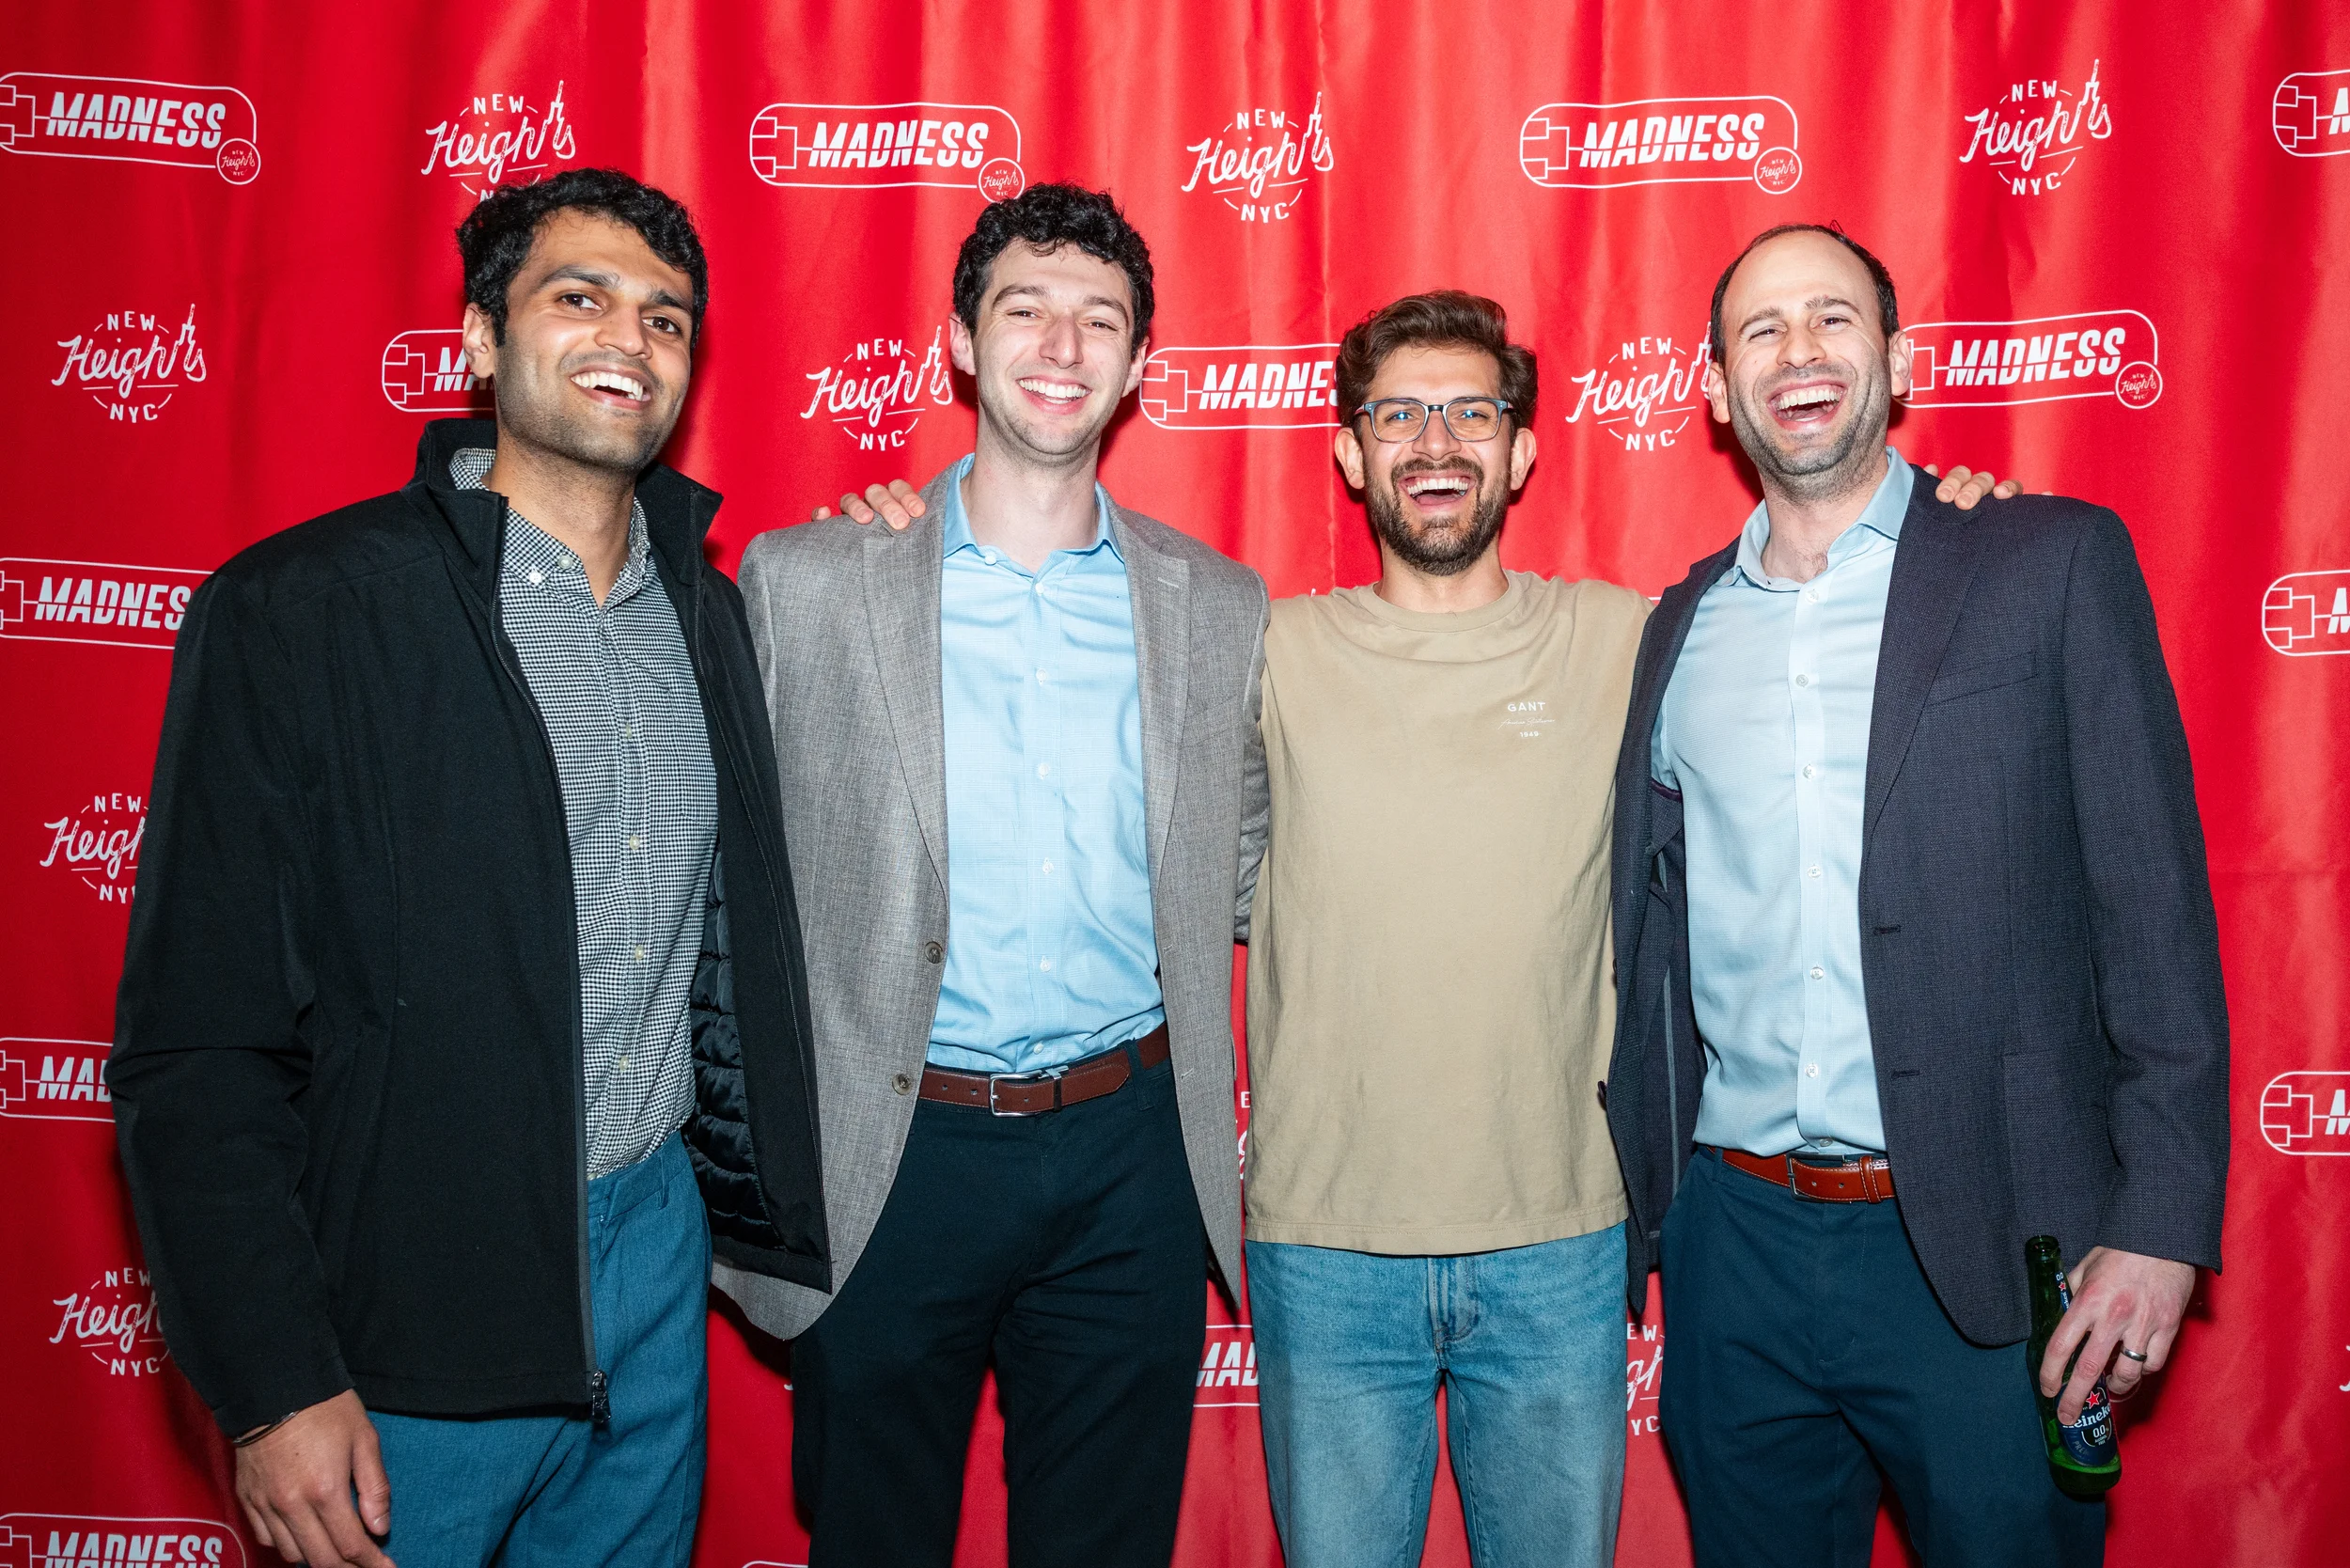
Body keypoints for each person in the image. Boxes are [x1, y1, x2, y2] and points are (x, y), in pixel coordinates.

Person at [828, 288, 2011, 1568]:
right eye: (1396, 416)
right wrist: (900, 535)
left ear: (1523, 449)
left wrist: (1944, 528)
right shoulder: (1258, 647)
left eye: (1470, 414)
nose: (1434, 443)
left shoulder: (1629, 639)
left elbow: (1814, 609)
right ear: (1350, 454)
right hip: (1325, 1251)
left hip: (1561, 1241)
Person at [108, 168, 828, 1568]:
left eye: (667, 317)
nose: (629, 338)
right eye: (580, 298)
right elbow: (196, 1046)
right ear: (481, 340)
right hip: (406, 1316)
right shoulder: (302, 611)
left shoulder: (712, 616)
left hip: (652, 1264)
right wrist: (274, 1385)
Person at [1605, 223, 2229, 1567]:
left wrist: (2159, 1228)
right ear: (1714, 388)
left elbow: (2153, 908)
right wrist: (1666, 1219)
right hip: (1735, 1252)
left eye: (1833, 318)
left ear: (1896, 360)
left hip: (1993, 1250)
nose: (1800, 350)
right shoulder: (1678, 630)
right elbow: (1652, 938)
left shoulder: (2045, 562)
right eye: (1761, 329)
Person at [723, 183, 1269, 1568]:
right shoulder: (810, 581)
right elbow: (732, 889)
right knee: (875, 1539)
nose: (1062, 347)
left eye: (1102, 321)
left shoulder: (1218, 605)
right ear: (961, 343)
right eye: (1025, 310)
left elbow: (1254, 864)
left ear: (1140, 365)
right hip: (891, 1153)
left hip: (1131, 1157)